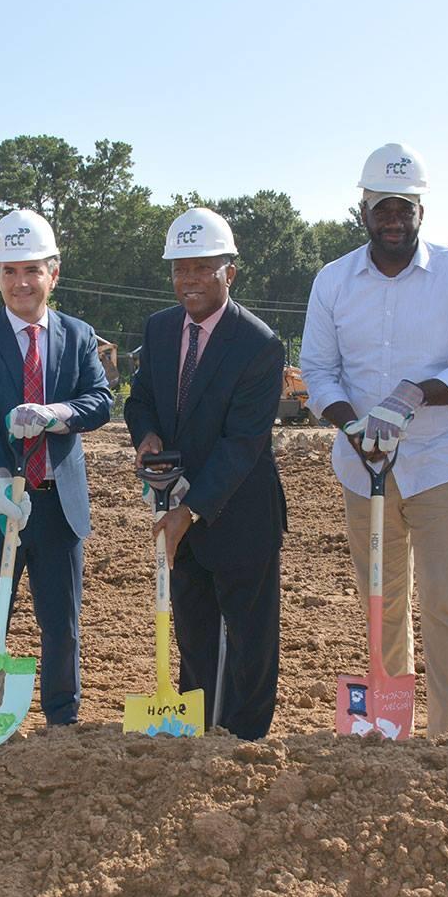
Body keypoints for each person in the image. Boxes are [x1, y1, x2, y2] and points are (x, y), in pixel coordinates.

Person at [299, 143, 448, 738]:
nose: (392, 219)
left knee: (441, 602)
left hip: (440, 464)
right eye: (381, 208)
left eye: (403, 208)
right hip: (363, 468)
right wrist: (353, 426)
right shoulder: (333, 282)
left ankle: (446, 733)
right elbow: (317, 370)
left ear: (421, 210)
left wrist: (413, 393)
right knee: (381, 604)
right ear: (362, 209)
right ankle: (391, 728)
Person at [123, 207, 287, 740]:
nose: (188, 281)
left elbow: (243, 444)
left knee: (248, 638)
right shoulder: (161, 328)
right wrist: (145, 434)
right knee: (192, 629)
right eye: (179, 269)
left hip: (238, 511)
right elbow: (142, 398)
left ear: (229, 273)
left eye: (201, 268)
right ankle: (192, 729)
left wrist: (189, 509)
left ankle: (244, 741)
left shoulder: (258, 344)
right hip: (176, 506)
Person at [0, 209, 112, 726]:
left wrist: (56, 414)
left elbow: (100, 401)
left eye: (31, 270)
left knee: (61, 626)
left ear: (52, 273)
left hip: (57, 506)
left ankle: (62, 720)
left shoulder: (78, 335)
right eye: (9, 271)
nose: (21, 282)